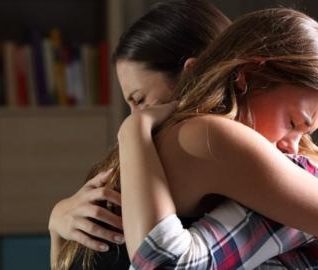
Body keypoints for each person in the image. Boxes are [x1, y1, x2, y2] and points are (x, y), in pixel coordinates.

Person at [117, 7, 318, 270]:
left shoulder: (182, 140)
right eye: (293, 123)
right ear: (247, 76)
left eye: (305, 134)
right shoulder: (210, 135)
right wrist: (132, 129)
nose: (293, 145)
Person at [49, 1, 230, 269]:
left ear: (192, 75)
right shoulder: (145, 155)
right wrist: (57, 227)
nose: (135, 116)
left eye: (140, 99)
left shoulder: (201, 150)